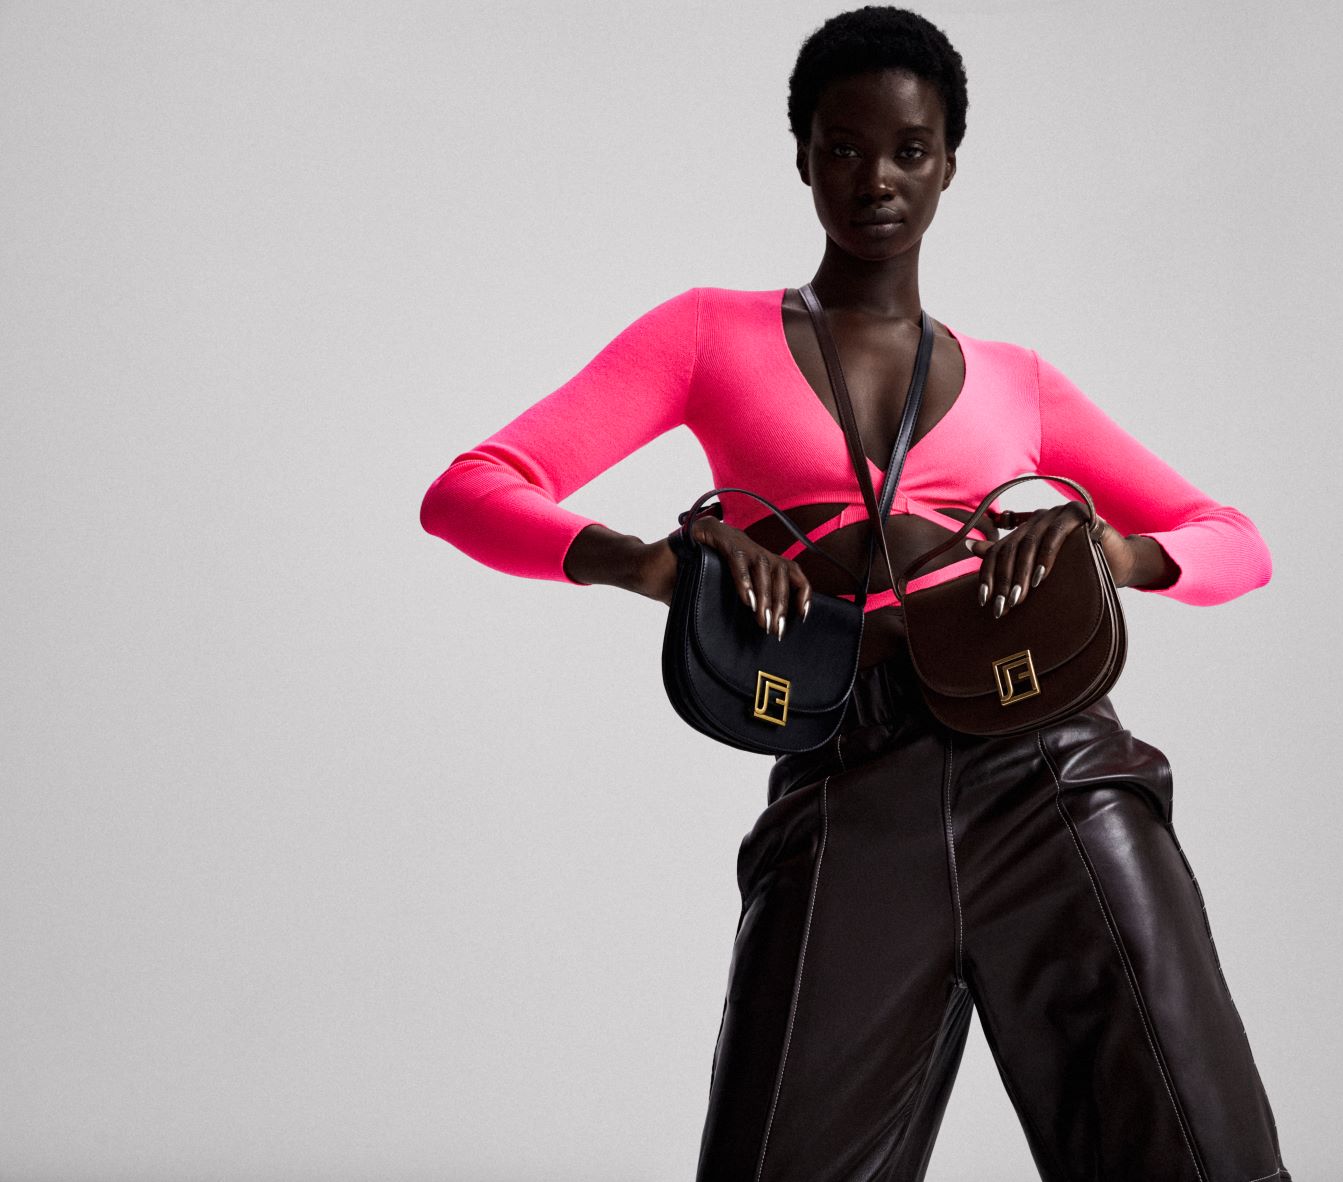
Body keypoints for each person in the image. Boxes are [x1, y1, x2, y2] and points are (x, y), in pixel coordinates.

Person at [420, 7, 1291, 1180]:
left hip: (1052, 776)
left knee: (1197, 1157)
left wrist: (1114, 553)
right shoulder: (705, 335)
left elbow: (1235, 541)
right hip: (844, 787)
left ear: (949, 165)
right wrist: (646, 563)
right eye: (843, 147)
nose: (876, 178)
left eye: (909, 150)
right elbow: (469, 491)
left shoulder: (1020, 383)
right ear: (802, 156)